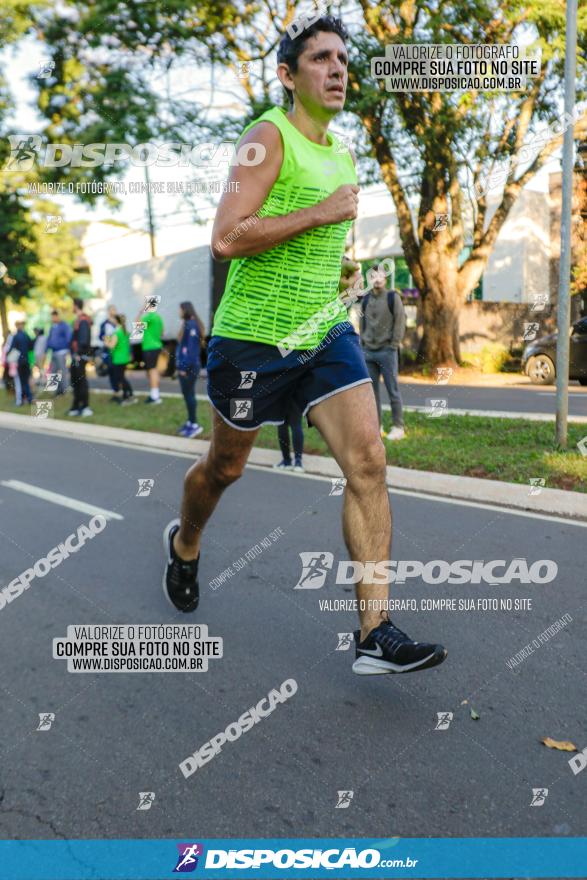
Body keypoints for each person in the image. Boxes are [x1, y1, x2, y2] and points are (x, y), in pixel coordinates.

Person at [161, 15, 446, 676]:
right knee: (224, 470)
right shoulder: (267, 136)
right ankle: (186, 540)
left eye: (343, 58)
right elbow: (228, 238)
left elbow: (314, 245)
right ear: (289, 75)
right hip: (253, 341)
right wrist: (319, 214)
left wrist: (337, 273)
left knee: (369, 461)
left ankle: (374, 633)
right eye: (320, 58)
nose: (338, 68)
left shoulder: (340, 151)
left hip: (322, 332)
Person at [360, 267, 406, 440]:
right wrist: (362, 345)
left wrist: (394, 345)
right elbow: (362, 323)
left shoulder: (392, 297)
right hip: (368, 352)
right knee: (372, 394)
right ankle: (376, 427)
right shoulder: (365, 300)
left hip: (387, 351)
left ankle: (398, 426)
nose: (377, 279)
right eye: (373, 276)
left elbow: (400, 321)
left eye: (380, 276)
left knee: (392, 390)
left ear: (385, 279)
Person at [176, 301, 205, 438]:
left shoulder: (192, 325)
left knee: (189, 395)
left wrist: (183, 367)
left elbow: (191, 350)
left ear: (185, 310)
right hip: (188, 365)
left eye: (180, 310)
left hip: (189, 367)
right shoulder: (188, 323)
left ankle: (194, 425)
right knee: (188, 395)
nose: (178, 312)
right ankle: (190, 421)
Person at [103, 314, 136, 405]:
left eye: (113, 318)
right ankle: (127, 395)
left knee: (120, 378)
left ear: (116, 321)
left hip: (118, 359)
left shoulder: (116, 332)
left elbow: (111, 346)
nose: (112, 319)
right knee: (122, 377)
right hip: (124, 357)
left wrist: (106, 341)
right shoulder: (125, 331)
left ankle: (129, 395)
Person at [68, 298, 93, 417]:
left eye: (72, 305)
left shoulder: (83, 321)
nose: (71, 307)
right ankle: (76, 406)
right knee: (75, 382)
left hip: (79, 356)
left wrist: (78, 353)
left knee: (81, 381)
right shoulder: (78, 320)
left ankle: (85, 407)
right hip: (75, 356)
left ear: (76, 306)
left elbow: (83, 340)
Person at [137, 303, 164, 404]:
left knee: (151, 371)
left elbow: (137, 327)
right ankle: (155, 393)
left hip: (149, 347)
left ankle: (154, 397)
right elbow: (162, 332)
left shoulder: (149, 317)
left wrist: (140, 312)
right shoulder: (158, 317)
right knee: (154, 370)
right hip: (157, 346)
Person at [273, 399, 305, 472]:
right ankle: (298, 462)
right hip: (297, 393)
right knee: (296, 424)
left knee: (281, 425)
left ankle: (287, 461)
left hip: (281, 393)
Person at [46, 310, 72, 395]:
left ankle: (64, 390)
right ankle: (53, 390)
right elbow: (49, 338)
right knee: (53, 371)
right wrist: (47, 348)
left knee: (63, 371)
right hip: (53, 352)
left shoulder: (64, 326)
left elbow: (69, 338)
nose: (53, 318)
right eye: (52, 316)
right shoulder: (52, 327)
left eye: (54, 316)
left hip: (62, 351)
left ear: (58, 316)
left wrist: (67, 349)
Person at [8, 320, 34, 406]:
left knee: (19, 382)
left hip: (19, 362)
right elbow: (31, 347)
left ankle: (20, 400)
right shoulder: (26, 336)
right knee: (25, 381)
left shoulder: (16, 336)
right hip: (26, 361)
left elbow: (12, 349)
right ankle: (29, 398)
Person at [99, 304, 118, 399]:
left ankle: (120, 391)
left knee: (118, 372)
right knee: (111, 371)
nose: (113, 311)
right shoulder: (104, 324)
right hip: (109, 350)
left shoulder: (119, 323)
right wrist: (105, 338)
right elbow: (101, 335)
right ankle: (115, 392)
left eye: (114, 309)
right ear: (108, 311)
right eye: (111, 310)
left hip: (118, 351)